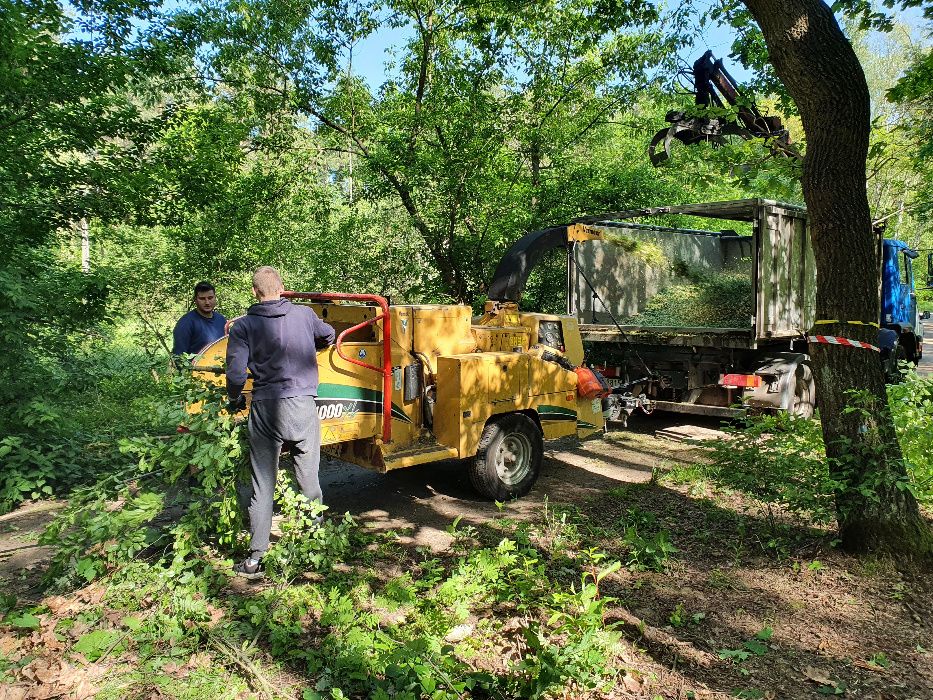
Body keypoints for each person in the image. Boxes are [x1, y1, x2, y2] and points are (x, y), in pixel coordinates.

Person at [226, 266, 336, 578]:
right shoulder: (304, 315)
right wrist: (312, 345)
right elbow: (329, 335)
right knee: (309, 478)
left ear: (254, 292)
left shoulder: (243, 326)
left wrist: (234, 398)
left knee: (263, 484)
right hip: (303, 406)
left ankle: (255, 559)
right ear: (282, 287)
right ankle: (315, 546)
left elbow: (235, 374)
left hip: (266, 409)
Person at [171, 282, 227, 358]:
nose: (207, 302)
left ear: (215, 298)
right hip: (197, 365)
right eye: (202, 299)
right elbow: (179, 357)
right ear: (195, 300)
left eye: (210, 298)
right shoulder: (185, 323)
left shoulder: (221, 319)